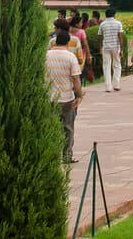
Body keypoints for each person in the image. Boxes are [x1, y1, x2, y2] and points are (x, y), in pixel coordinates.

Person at [46, 27, 84, 165]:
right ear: (68, 42)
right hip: (67, 98)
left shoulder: (46, 55)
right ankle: (66, 156)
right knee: (68, 128)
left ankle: (51, 155)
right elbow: (76, 79)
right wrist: (79, 95)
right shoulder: (70, 57)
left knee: (50, 127)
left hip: (49, 98)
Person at [98, 6, 126, 92]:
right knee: (117, 65)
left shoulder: (102, 24)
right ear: (114, 15)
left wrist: (100, 48)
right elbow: (120, 37)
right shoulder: (118, 23)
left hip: (106, 47)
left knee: (106, 66)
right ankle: (116, 85)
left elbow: (99, 37)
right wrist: (121, 49)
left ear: (106, 15)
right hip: (115, 47)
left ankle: (108, 87)